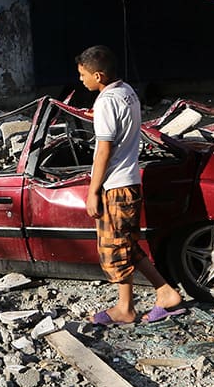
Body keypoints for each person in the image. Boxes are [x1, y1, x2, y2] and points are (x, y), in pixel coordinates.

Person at [75, 45, 186, 325]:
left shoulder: (106, 101)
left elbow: (103, 150)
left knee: (115, 250)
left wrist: (93, 191)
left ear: (98, 76)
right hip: (131, 182)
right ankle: (166, 293)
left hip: (116, 186)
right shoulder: (126, 92)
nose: (81, 80)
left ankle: (125, 309)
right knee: (128, 245)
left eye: (83, 75)